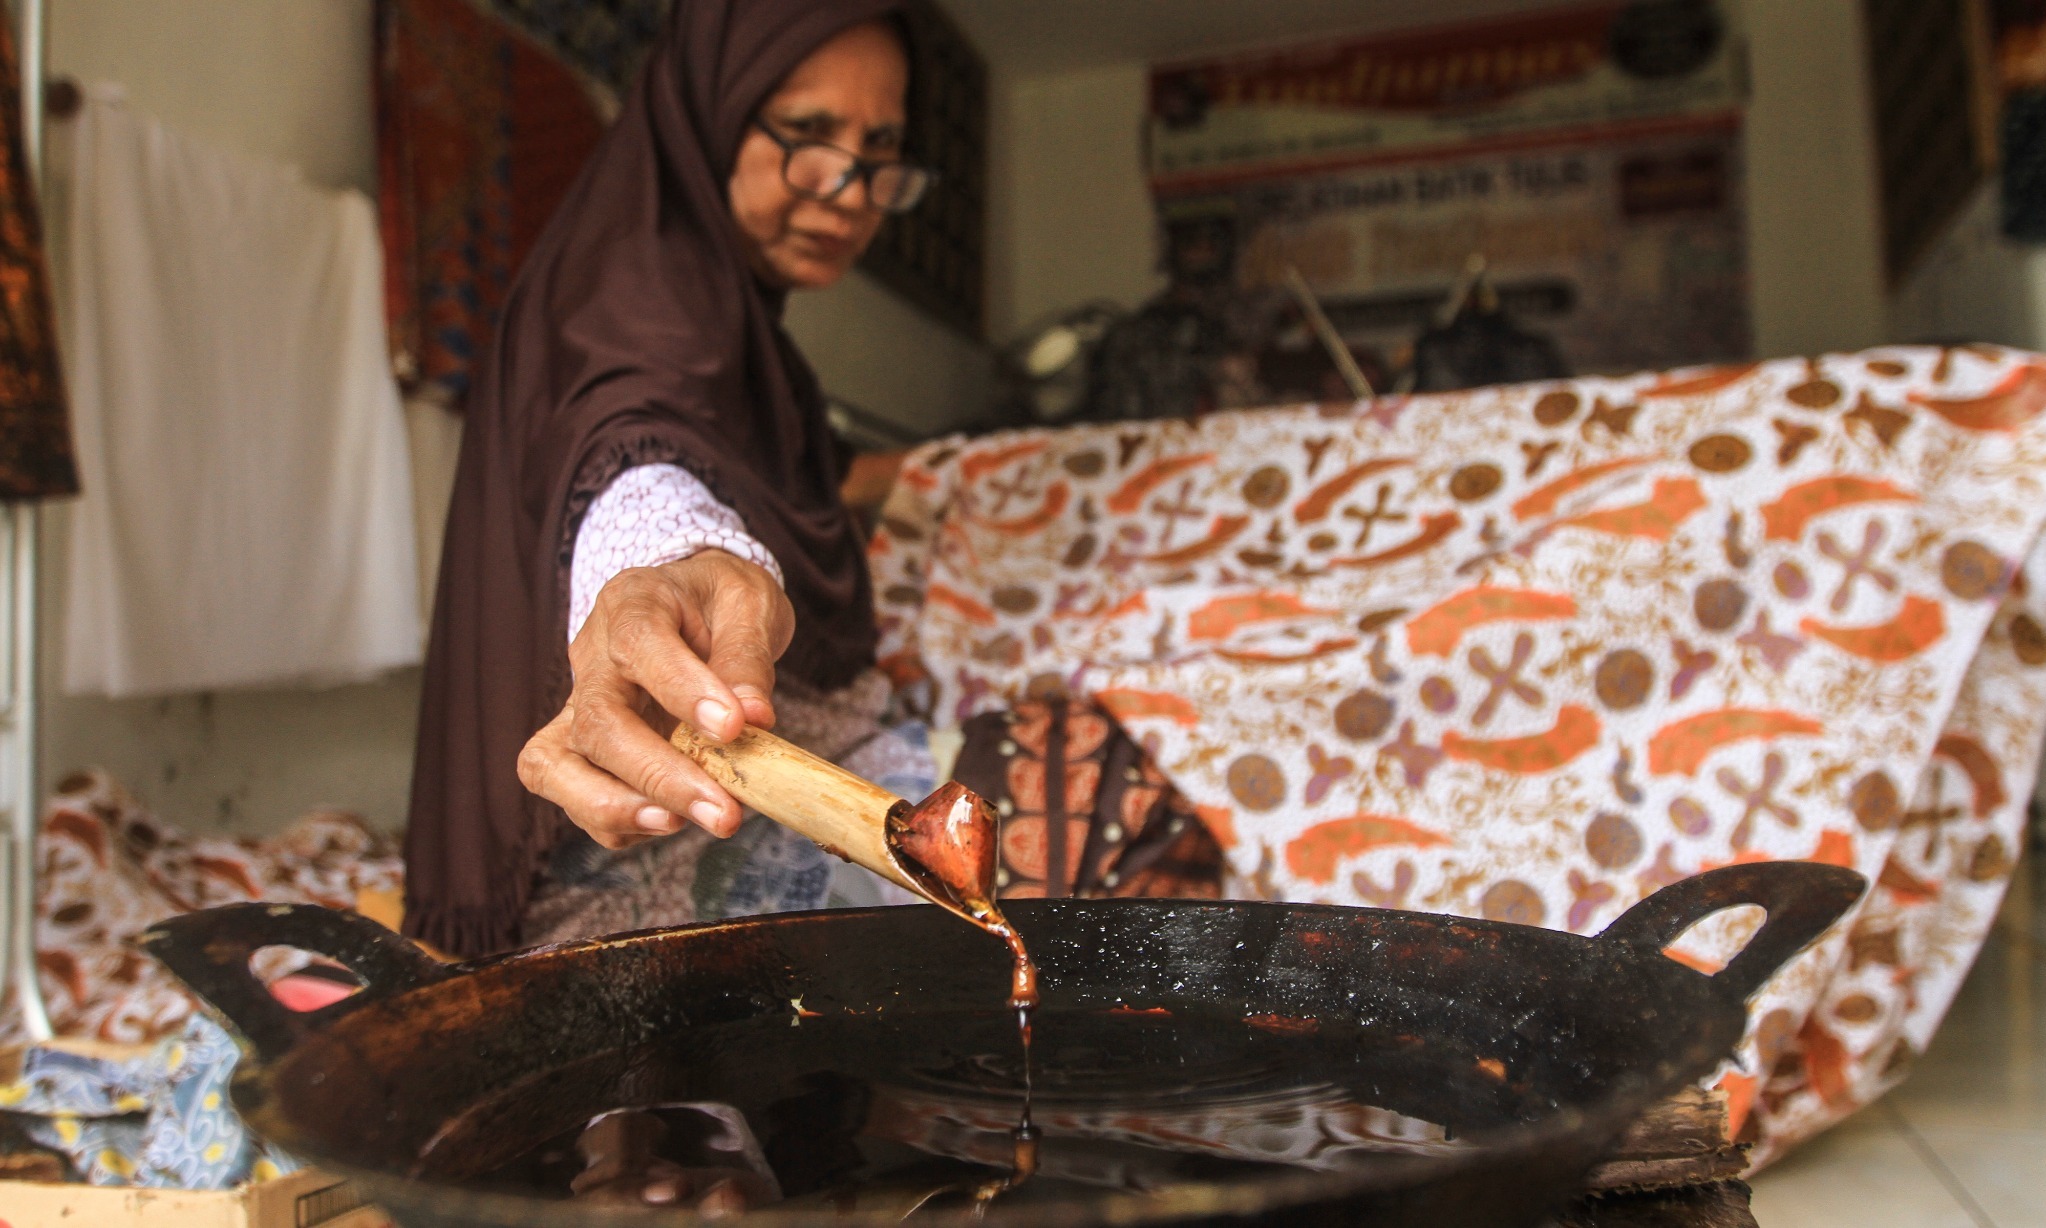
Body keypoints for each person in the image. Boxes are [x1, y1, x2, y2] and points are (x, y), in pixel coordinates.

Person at [402, 0, 934, 957]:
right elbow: (632, 444)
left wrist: (946, 470)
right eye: (808, 135)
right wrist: (661, 572)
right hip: (606, 852)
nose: (849, 190)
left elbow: (759, 465)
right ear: (710, 113)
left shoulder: (734, 323)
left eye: (879, 151)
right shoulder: (634, 294)